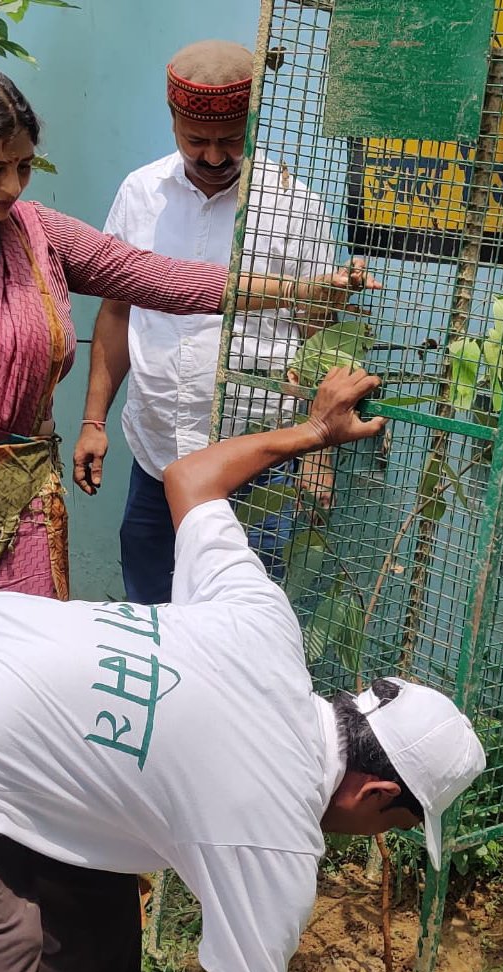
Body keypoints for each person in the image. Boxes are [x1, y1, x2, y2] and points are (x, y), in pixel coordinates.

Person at [0, 366, 486, 972]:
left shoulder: (267, 627)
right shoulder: (275, 838)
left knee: (101, 933)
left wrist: (314, 431)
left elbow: (190, 477)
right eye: (396, 826)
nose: (376, 838)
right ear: (376, 793)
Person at [0, 67, 361, 668]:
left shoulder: (34, 234)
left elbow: (156, 278)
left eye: (24, 167)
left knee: (27, 678)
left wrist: (298, 291)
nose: (12, 187)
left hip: (22, 511)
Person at [73, 40, 341, 602]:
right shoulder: (140, 193)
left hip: (257, 460)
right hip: (157, 453)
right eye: (196, 140)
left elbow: (321, 334)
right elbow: (117, 310)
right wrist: (94, 420)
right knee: (150, 609)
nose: (215, 157)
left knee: (243, 614)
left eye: (230, 140)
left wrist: (318, 453)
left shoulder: (293, 205)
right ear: (172, 119)